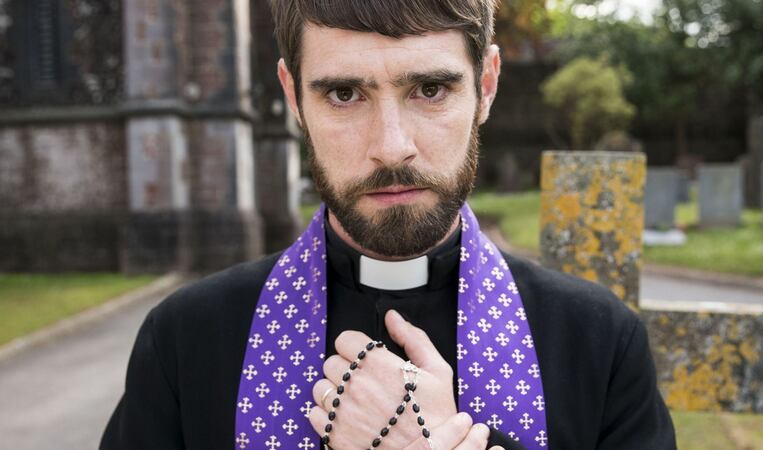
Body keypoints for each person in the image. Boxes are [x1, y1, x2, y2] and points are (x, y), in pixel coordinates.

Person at [101, 1, 676, 449]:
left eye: (430, 89)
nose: (391, 147)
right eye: (345, 94)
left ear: (486, 86)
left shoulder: (598, 343)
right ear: (294, 98)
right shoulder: (186, 340)